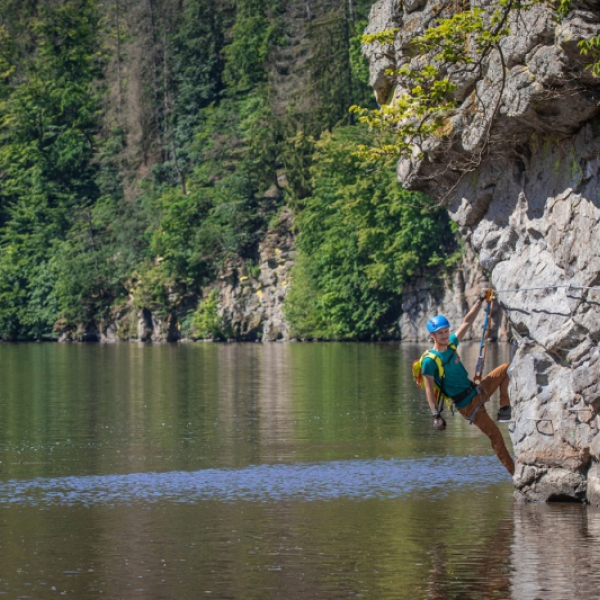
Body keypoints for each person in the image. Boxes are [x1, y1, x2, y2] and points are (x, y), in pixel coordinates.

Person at [421, 292, 514, 476]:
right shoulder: (429, 361)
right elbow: (429, 391)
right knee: (495, 435)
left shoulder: (452, 344)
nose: (445, 335)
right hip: (468, 405)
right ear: (433, 335)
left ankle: (505, 409)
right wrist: (435, 416)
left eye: (446, 331)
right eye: (440, 333)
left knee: (506, 369)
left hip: (477, 389)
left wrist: (480, 300)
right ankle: (515, 473)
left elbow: (467, 322)